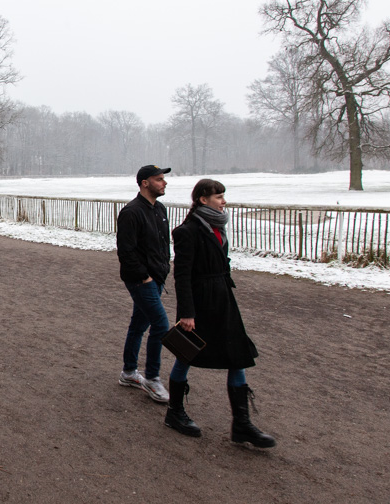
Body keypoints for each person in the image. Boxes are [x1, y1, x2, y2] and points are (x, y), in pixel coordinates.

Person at [165, 178, 276, 448]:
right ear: (203, 199)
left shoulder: (217, 225)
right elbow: (182, 275)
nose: (224, 201)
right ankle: (174, 413)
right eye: (219, 197)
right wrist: (187, 313)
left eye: (223, 196)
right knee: (187, 353)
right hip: (201, 302)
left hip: (223, 298)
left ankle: (242, 425)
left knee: (238, 355)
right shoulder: (188, 231)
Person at [116, 165, 172, 403]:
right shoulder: (131, 212)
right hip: (141, 280)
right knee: (161, 325)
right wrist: (144, 276)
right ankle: (151, 377)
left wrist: (163, 269)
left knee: (139, 325)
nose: (164, 183)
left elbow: (161, 244)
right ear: (144, 183)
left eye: (163, 179)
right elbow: (126, 251)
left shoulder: (159, 208)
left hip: (156, 277)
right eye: (159, 179)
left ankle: (129, 372)